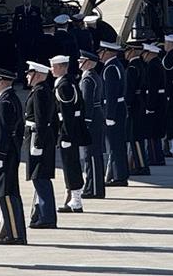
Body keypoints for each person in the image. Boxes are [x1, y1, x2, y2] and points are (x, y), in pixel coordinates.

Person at [0, 67, 26, 246]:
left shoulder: (5, 102)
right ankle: (10, 231)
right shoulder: (8, 99)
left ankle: (15, 234)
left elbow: (4, 131)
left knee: (7, 194)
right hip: (9, 151)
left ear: (2, 81)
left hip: (6, 153)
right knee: (8, 193)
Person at [51, 56, 88, 213]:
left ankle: (76, 201)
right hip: (71, 129)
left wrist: (66, 135)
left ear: (60, 67)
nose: (51, 69)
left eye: (53, 66)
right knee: (70, 165)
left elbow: (67, 114)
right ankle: (73, 199)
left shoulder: (64, 86)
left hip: (68, 132)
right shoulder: (69, 82)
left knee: (71, 165)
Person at [24, 61, 57, 229]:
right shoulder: (42, 90)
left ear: (37, 74)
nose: (27, 76)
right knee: (40, 178)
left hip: (38, 137)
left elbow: (41, 120)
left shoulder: (40, 93)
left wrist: (37, 144)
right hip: (41, 137)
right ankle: (42, 214)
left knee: (40, 178)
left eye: (29, 73)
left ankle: (47, 216)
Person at [98, 42, 128, 187]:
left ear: (108, 52)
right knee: (117, 144)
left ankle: (119, 176)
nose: (99, 55)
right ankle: (118, 174)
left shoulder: (110, 68)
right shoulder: (115, 65)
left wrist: (109, 115)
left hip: (114, 110)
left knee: (115, 145)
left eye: (101, 52)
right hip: (119, 108)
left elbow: (111, 94)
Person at [77, 50, 106, 199]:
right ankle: (92, 186)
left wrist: (86, 122)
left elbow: (87, 102)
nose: (78, 63)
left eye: (81, 60)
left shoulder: (88, 79)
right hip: (97, 116)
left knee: (92, 155)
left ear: (88, 62)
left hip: (92, 119)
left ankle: (94, 188)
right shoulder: (92, 76)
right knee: (92, 154)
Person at [124, 43, 150, 176]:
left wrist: (126, 105)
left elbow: (129, 89)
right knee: (137, 136)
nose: (125, 54)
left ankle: (141, 165)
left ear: (133, 51)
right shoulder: (141, 65)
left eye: (127, 51)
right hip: (141, 102)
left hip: (135, 104)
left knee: (135, 137)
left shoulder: (133, 67)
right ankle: (137, 163)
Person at [141, 43, 166, 166]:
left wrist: (149, 106)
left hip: (155, 103)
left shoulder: (152, 67)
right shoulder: (157, 64)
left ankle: (154, 157)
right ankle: (157, 156)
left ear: (150, 53)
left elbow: (152, 88)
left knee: (152, 133)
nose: (143, 55)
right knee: (156, 132)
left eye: (145, 53)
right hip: (160, 101)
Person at [12, 0, 42, 86]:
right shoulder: (18, 10)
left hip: (33, 41)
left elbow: (38, 25)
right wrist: (16, 40)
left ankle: (32, 81)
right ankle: (24, 82)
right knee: (22, 62)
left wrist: (38, 39)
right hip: (22, 41)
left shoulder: (36, 10)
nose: (26, 0)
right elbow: (15, 26)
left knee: (32, 62)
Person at [53, 16, 79, 80]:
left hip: (54, 66)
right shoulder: (70, 37)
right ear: (67, 25)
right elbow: (74, 54)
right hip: (68, 67)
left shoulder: (53, 37)